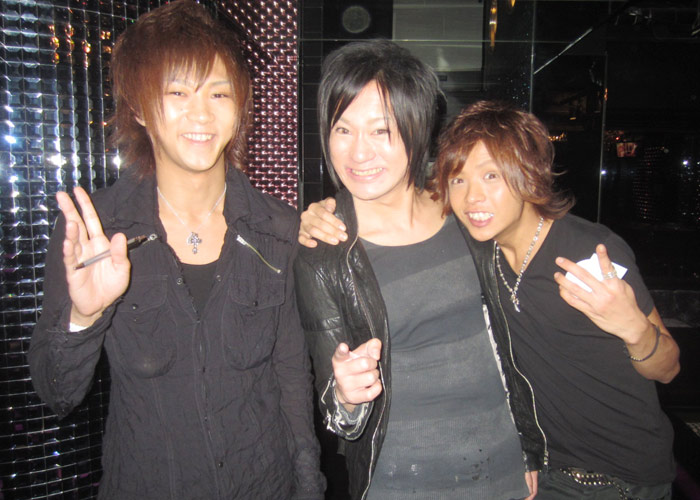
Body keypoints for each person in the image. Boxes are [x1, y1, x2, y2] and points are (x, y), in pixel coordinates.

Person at [28, 2, 325, 498]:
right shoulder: (97, 230)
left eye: (218, 92)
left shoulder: (276, 227)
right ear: (140, 108)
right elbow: (57, 394)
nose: (201, 113)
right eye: (178, 92)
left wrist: (309, 487)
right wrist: (84, 316)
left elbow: (292, 377)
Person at [294, 40, 540, 500]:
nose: (358, 152)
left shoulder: (464, 213)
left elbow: (508, 343)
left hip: (503, 467)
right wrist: (347, 395)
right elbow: (339, 417)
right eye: (343, 129)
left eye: (381, 130)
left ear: (417, 128)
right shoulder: (323, 252)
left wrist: (529, 447)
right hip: (401, 481)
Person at [434, 101, 679, 499]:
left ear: (528, 174)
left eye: (491, 175)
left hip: (622, 479)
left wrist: (634, 328)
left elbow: (668, 368)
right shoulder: (482, 247)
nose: (472, 197)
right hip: (547, 468)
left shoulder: (588, 253)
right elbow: (404, 207)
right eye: (458, 180)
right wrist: (331, 213)